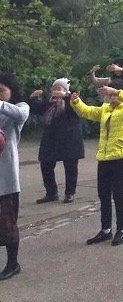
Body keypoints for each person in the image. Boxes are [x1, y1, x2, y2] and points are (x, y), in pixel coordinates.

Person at [69, 78, 123, 246]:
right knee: (104, 195)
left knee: (118, 194)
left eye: (115, 94)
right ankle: (106, 229)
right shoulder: (105, 110)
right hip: (105, 157)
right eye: (110, 95)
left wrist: (116, 92)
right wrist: (76, 102)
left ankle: (121, 229)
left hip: (122, 156)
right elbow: (87, 112)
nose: (112, 98)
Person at [27, 78, 85, 204]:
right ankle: (51, 192)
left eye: (59, 89)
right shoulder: (49, 102)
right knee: (46, 164)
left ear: (65, 90)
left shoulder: (72, 101)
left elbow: (78, 109)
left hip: (70, 138)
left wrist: (67, 96)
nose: (56, 91)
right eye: (54, 88)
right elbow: (35, 109)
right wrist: (32, 98)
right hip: (51, 138)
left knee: (70, 166)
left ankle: (70, 193)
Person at [88, 61, 123, 179]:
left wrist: (121, 69)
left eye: (116, 67)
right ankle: (110, 165)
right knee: (109, 138)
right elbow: (94, 82)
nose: (114, 69)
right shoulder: (108, 81)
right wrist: (92, 73)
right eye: (112, 67)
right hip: (109, 112)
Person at [0, 72, 30, 280]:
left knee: (7, 223)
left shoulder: (20, 108)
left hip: (5, 179)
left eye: (1, 91)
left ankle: (13, 263)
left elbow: (20, 116)